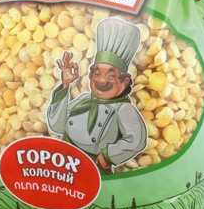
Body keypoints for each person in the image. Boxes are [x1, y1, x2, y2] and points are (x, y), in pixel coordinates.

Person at [47, 18, 147, 172]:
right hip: (63, 162)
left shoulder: (123, 109)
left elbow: (136, 140)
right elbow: (57, 126)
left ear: (125, 81)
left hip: (93, 168)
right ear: (91, 75)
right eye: (97, 73)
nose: (101, 80)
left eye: (111, 76)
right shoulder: (84, 99)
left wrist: (108, 155)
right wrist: (66, 85)